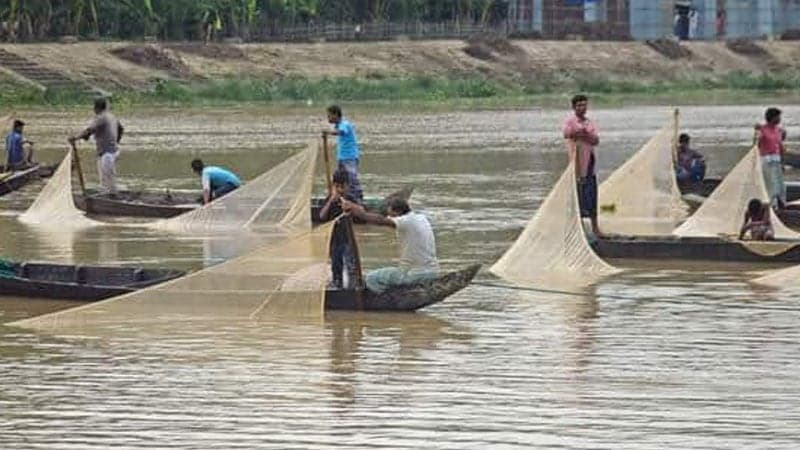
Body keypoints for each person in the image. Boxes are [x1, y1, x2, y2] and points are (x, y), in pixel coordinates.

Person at [342, 197, 439, 294]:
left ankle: (380, 301)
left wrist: (357, 211)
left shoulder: (405, 222)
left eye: (391, 214)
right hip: (433, 272)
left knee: (372, 278)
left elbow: (379, 220)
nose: (389, 216)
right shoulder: (421, 218)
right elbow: (380, 217)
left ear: (397, 212)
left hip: (413, 274)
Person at [563, 94, 602, 236]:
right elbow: (567, 134)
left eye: (584, 105)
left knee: (591, 196)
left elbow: (595, 140)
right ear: (574, 107)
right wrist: (580, 133)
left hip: (589, 164)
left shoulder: (589, 123)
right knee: (577, 197)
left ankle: (595, 228)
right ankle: (576, 230)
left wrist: (585, 134)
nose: (582, 108)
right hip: (577, 166)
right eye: (579, 105)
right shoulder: (570, 122)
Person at [68, 97, 124, 194]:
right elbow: (121, 129)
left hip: (107, 153)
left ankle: (113, 198)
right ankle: (110, 195)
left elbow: (89, 130)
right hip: (112, 151)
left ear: (96, 108)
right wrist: (116, 142)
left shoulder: (101, 117)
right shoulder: (111, 116)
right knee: (106, 179)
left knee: (108, 178)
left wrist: (76, 138)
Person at [319, 170, 357, 289]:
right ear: (333, 186)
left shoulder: (350, 199)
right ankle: (337, 285)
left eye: (342, 186)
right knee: (336, 265)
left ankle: (352, 288)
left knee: (351, 265)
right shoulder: (330, 200)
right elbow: (322, 216)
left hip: (348, 239)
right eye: (337, 186)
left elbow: (361, 213)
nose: (340, 190)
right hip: (334, 239)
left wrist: (349, 207)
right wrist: (331, 201)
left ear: (347, 186)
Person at [322, 105, 363, 203]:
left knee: (351, 178)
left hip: (349, 157)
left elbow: (341, 132)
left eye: (329, 116)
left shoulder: (344, 124)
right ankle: (341, 197)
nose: (328, 118)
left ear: (336, 115)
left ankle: (357, 198)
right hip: (342, 157)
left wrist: (328, 132)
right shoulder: (338, 125)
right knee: (340, 179)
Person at [755, 107, 786, 209]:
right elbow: (756, 146)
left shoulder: (779, 130)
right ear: (772, 118)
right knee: (771, 186)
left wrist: (782, 163)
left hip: (776, 161)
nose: (779, 119)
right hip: (767, 161)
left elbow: (780, 147)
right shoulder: (762, 129)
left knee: (780, 186)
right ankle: (770, 208)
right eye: (777, 117)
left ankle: (781, 206)